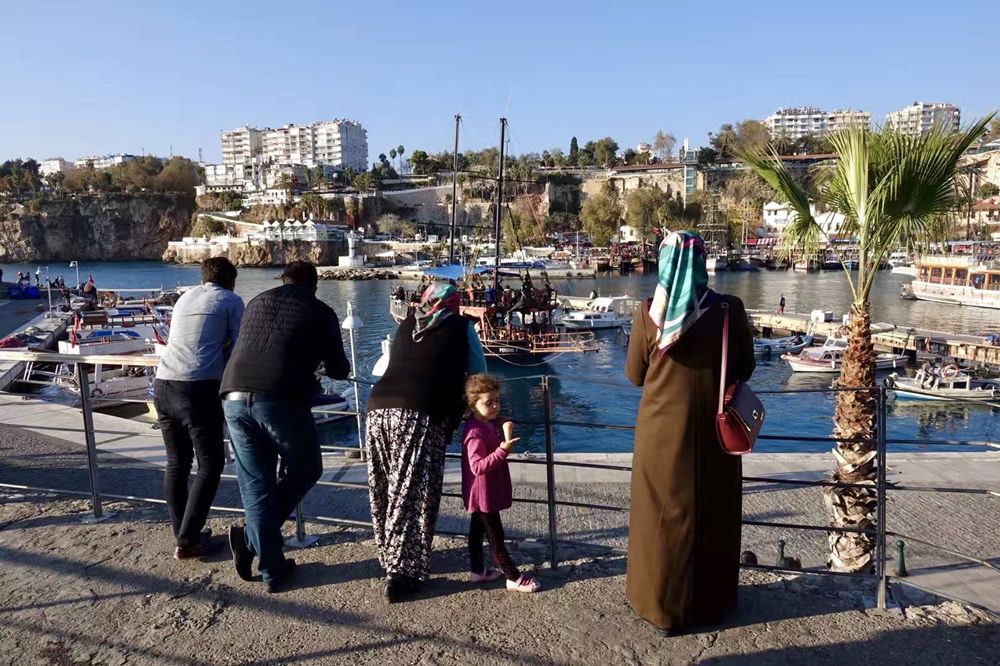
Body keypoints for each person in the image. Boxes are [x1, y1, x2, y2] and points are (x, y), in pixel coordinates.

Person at [624, 230, 755, 636]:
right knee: (714, 512)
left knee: (659, 518)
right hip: (716, 431)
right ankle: (712, 604)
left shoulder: (649, 314)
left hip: (660, 435)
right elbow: (746, 367)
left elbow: (634, 375)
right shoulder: (729, 309)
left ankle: (661, 607)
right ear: (701, 263)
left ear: (664, 265)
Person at [221, 261, 350, 593]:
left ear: (283, 279)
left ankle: (271, 567)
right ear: (314, 285)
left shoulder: (257, 301)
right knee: (307, 468)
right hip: (279, 398)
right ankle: (250, 542)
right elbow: (339, 369)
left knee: (256, 486)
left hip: (232, 395)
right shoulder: (321, 311)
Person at [365, 282, 487, 602]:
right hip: (418, 414)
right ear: (454, 303)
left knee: (385, 488)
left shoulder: (408, 322)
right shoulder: (462, 326)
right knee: (415, 494)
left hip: (377, 410)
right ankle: (401, 574)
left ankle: (390, 557)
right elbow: (479, 377)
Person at [154, 258, 244, 559]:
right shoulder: (230, 300)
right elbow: (238, 349)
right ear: (231, 282)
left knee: (177, 463)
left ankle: (185, 535)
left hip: (163, 382)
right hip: (197, 387)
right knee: (210, 464)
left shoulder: (185, 297)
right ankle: (188, 540)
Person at [462, 374, 540, 593]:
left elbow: (491, 424)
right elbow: (477, 466)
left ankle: (478, 570)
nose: (495, 406)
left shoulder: (481, 424)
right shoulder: (475, 433)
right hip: (483, 493)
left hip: (480, 492)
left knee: (476, 532)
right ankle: (513, 577)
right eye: (489, 403)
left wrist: (499, 421)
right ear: (473, 404)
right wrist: (502, 451)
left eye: (497, 400)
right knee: (496, 537)